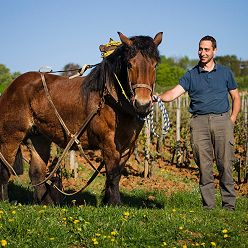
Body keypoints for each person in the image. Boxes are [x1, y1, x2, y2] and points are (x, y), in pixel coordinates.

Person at [158, 35, 241, 210]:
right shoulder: (191, 75)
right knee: (204, 166)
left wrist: (231, 119)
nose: (202, 53)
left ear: (214, 51)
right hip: (199, 123)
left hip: (222, 121)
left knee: (225, 164)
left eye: (206, 49)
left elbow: (235, 97)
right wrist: (156, 97)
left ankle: (229, 205)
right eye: (200, 49)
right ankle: (208, 207)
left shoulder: (226, 73)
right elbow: (173, 93)